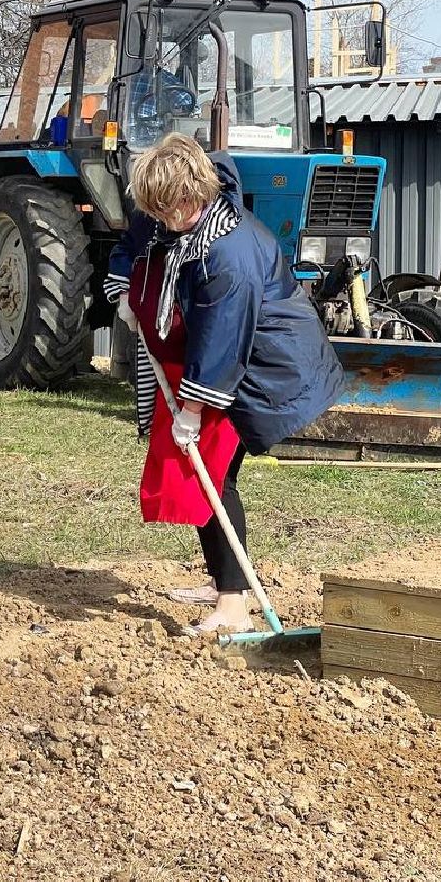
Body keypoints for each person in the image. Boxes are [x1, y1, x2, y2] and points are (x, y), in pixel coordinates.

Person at [105, 133, 343, 634]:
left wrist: (191, 409)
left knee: (213, 475)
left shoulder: (228, 254)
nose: (162, 221)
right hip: (222, 362)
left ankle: (232, 603)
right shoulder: (178, 219)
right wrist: (128, 291)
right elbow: (138, 245)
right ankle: (223, 581)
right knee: (211, 474)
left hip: (263, 369)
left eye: (168, 211)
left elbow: (221, 339)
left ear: (191, 196)